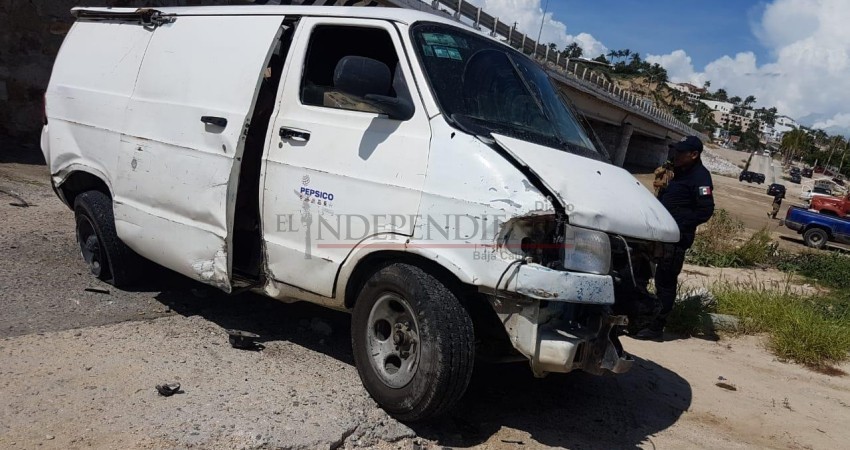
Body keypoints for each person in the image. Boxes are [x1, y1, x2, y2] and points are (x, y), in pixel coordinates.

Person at [636, 136, 715, 340]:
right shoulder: (676, 172)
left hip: (676, 238)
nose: (676, 155)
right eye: (675, 151)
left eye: (681, 152)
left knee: (665, 282)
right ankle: (640, 316)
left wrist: (677, 225)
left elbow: (705, 211)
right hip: (658, 234)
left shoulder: (701, 178)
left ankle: (656, 327)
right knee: (640, 271)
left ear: (694, 155)